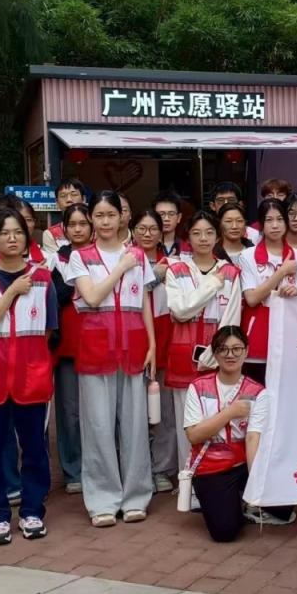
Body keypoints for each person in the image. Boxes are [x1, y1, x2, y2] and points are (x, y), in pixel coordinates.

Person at [66, 190, 157, 527]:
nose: (105, 221)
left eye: (111, 215)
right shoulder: (80, 257)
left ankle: (136, 496)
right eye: (99, 215)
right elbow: (91, 297)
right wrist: (120, 267)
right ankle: (102, 500)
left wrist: (152, 345)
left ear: (122, 217)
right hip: (95, 347)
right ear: (91, 218)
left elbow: (144, 302)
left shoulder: (139, 255)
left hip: (133, 345)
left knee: (135, 425)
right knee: (98, 426)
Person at [0, 208, 56, 545]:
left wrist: (34, 361)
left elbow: (48, 330)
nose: (12, 238)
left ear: (27, 237)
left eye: (18, 232)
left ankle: (32, 511)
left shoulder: (44, 279)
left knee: (34, 450)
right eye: (4, 233)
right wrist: (12, 292)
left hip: (32, 377)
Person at [184, 327, 294, 542]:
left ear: (246, 351)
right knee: (224, 533)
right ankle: (233, 504)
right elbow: (194, 436)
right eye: (223, 349)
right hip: (212, 466)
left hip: (243, 463)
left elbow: (253, 438)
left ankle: (246, 500)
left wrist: (257, 486)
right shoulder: (198, 387)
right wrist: (230, 412)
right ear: (215, 353)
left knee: (284, 507)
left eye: (236, 349)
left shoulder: (258, 392)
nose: (230, 355)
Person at [165, 211, 242, 482]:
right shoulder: (176, 270)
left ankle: (212, 480)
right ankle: (187, 482)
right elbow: (180, 310)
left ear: (217, 236)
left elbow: (232, 318)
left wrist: (215, 355)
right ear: (187, 238)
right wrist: (211, 285)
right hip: (182, 354)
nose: (203, 238)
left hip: (218, 358)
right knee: (185, 423)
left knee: (216, 420)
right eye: (196, 233)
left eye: (209, 232)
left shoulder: (230, 273)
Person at [237, 199, 297, 385]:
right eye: (269, 220)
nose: (275, 225)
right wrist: (282, 272)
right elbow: (252, 298)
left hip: (290, 333)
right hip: (257, 332)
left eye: (279, 219)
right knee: (255, 391)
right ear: (261, 224)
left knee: (287, 391)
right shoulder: (247, 256)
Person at [132, 209, 177, 495]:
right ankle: (138, 469)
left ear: (162, 233)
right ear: (133, 230)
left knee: (165, 412)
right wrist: (154, 278)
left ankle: (162, 468)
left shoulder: (173, 263)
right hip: (132, 340)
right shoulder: (124, 260)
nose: (147, 234)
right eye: (142, 228)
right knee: (134, 413)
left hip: (166, 339)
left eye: (153, 229)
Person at [50, 202, 90, 495]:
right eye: (72, 224)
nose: (78, 229)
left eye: (83, 223)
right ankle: (73, 469)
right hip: (67, 346)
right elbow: (55, 296)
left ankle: (100, 466)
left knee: (100, 412)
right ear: (63, 229)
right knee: (70, 413)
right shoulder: (55, 260)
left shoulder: (104, 256)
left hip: (101, 343)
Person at [43, 179, 86, 254]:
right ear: (57, 203)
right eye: (63, 196)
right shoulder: (50, 234)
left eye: (74, 195)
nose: (69, 200)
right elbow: (57, 260)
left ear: (83, 199)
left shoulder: (96, 230)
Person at [154, 191, 188, 258]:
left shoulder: (188, 248)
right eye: (161, 214)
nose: (166, 218)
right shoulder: (146, 246)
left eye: (171, 214)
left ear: (179, 217)